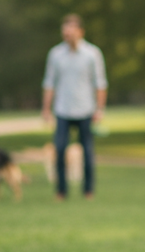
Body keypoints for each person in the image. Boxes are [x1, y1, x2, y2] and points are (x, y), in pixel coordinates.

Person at [41, 14, 107, 200]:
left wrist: (99, 109)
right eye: (65, 33)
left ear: (80, 32)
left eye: (70, 32)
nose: (67, 36)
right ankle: (61, 191)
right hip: (63, 109)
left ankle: (88, 191)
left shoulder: (92, 53)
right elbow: (49, 83)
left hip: (86, 109)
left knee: (87, 152)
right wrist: (46, 109)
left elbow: (100, 83)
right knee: (60, 149)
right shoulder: (55, 54)